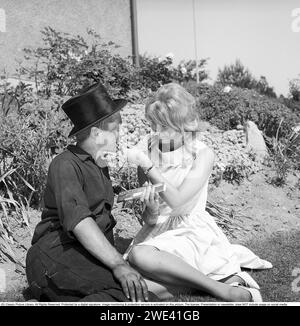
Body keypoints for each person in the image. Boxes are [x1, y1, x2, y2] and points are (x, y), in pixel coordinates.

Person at [124, 83, 273, 302]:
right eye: (154, 125)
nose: (157, 132)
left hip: (191, 231)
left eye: (164, 126)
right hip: (158, 231)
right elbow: (150, 218)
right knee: (132, 277)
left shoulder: (201, 154)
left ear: (182, 124)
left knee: (139, 256)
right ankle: (211, 282)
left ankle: (222, 290)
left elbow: (177, 200)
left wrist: (149, 167)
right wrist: (151, 208)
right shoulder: (149, 152)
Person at [26, 83, 153, 302]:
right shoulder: (64, 164)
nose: (119, 135)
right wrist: (119, 265)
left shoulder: (99, 166)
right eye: (115, 129)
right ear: (96, 133)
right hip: (55, 253)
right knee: (126, 294)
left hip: (82, 255)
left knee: (138, 291)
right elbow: (80, 222)